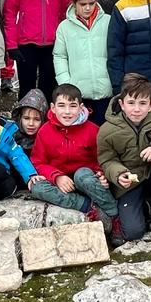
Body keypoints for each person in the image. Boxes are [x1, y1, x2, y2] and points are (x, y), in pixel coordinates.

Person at [97, 74, 151, 244]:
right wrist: (118, 174)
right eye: (131, 103)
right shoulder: (107, 129)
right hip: (130, 183)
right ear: (122, 104)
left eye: (143, 103)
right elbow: (106, 160)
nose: (136, 109)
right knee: (132, 232)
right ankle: (145, 208)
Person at [27, 84, 117, 229]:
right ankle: (87, 206)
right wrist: (56, 177)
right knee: (37, 187)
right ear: (53, 107)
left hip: (86, 180)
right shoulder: (44, 131)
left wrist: (101, 174)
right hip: (61, 184)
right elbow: (38, 162)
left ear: (81, 108)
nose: (67, 112)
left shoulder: (92, 130)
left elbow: (103, 158)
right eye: (61, 106)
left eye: (73, 106)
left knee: (82, 175)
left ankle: (113, 214)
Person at [54, 0, 113, 125]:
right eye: (82, 4)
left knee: (103, 134)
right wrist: (67, 83)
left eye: (91, 3)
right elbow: (60, 56)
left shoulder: (108, 21)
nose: (87, 8)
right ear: (74, 3)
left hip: (106, 90)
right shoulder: (64, 27)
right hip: (79, 94)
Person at [11, 88, 47, 158]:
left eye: (37, 119)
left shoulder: (47, 140)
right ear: (19, 118)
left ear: (43, 120)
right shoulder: (10, 136)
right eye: (26, 118)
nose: (31, 123)